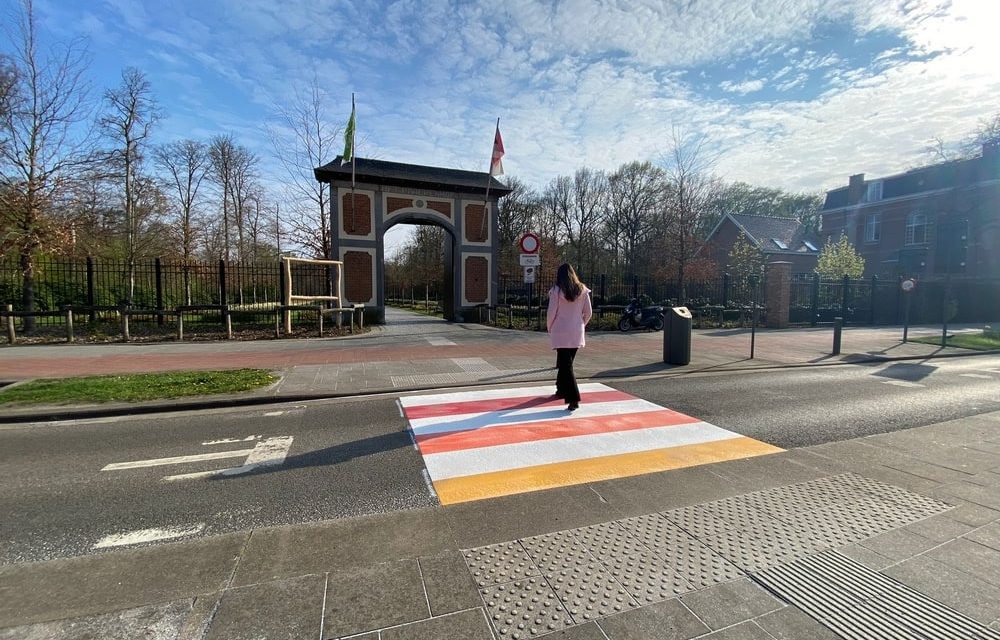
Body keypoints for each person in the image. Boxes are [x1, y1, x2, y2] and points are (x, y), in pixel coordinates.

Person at [546, 263, 593, 411]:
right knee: (567, 363)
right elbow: (589, 313)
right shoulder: (583, 290)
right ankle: (560, 389)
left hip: (560, 330)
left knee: (566, 365)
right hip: (576, 331)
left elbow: (551, 312)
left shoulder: (556, 291)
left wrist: (550, 327)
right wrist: (581, 324)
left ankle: (573, 398)